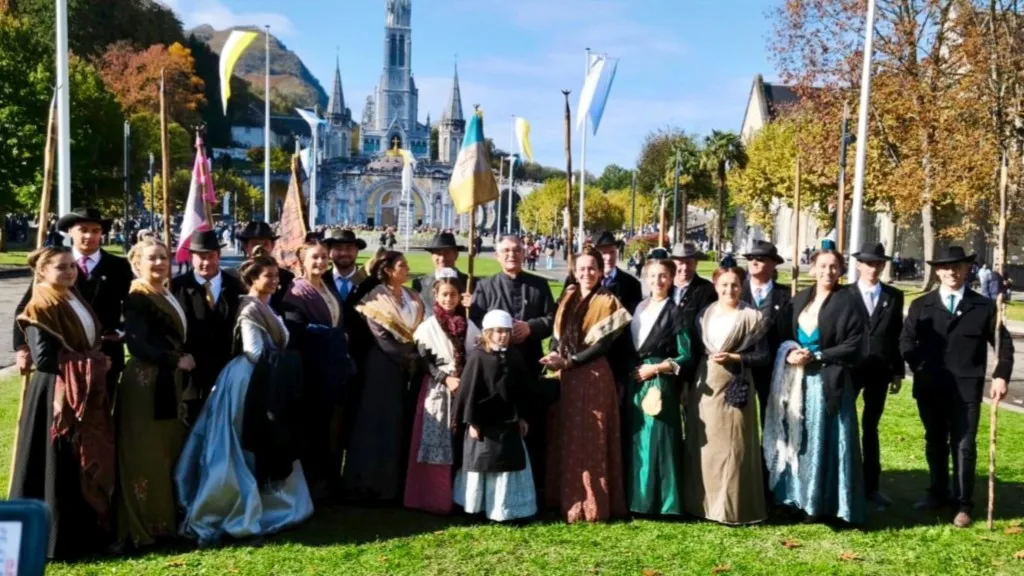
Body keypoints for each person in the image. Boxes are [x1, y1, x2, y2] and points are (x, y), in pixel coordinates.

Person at [175, 247, 312, 545]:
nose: (275, 280)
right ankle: (234, 507)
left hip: (265, 379)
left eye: (276, 275)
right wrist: (286, 362)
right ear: (253, 278)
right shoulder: (250, 307)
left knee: (261, 439)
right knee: (242, 442)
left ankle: (269, 503)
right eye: (268, 276)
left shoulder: (266, 304)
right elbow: (254, 352)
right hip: (250, 380)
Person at [11, 247, 115, 559]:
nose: (69, 271)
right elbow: (44, 360)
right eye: (61, 267)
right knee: (60, 464)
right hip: (56, 397)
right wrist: (95, 362)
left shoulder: (71, 296)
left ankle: (87, 533)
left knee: (81, 461)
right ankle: (61, 540)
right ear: (42, 271)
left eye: (72, 266)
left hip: (80, 391)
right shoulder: (40, 304)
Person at [901, 246, 1012, 528]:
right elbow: (906, 342)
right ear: (938, 271)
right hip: (931, 386)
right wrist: (920, 367)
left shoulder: (984, 306)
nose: (952, 271)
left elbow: (1004, 344)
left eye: (958, 266)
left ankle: (963, 503)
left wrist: (1001, 375)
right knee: (935, 440)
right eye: (946, 267)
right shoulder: (921, 306)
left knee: (964, 445)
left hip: (966, 389)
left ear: (967, 270)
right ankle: (937, 492)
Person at [764, 241, 866, 524]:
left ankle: (822, 502)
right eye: (823, 266)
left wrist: (818, 355)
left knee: (824, 439)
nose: (828, 271)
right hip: (797, 381)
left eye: (834, 266)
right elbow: (783, 334)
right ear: (813, 268)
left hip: (827, 381)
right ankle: (795, 497)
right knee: (800, 437)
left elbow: (855, 344)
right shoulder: (800, 299)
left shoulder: (849, 300)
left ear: (841, 270)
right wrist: (791, 351)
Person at [541, 247, 632, 523]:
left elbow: (602, 346)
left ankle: (593, 503)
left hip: (592, 375)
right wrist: (555, 355)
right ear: (575, 271)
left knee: (592, 437)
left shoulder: (608, 301)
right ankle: (564, 497)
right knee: (565, 433)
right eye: (581, 268)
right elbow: (557, 335)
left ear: (600, 271)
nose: (586, 273)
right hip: (564, 374)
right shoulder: (568, 295)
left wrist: (569, 361)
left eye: (592, 268)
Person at [117, 237, 193, 548]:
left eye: (164, 257)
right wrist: (175, 360)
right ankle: (143, 529)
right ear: (136, 264)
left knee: (166, 453)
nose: (160, 263)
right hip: (146, 384)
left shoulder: (163, 292)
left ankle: (165, 524)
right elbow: (136, 344)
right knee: (145, 457)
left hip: (167, 381)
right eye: (152, 258)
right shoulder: (138, 298)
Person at [682, 261, 768, 525]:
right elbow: (695, 352)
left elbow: (763, 356)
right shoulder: (704, 315)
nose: (729, 290)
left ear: (741, 288)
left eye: (734, 285)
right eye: (724, 285)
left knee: (735, 447)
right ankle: (701, 505)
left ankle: (730, 508)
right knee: (705, 448)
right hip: (706, 386)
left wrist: (735, 356)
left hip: (736, 385)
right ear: (716, 287)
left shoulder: (753, 318)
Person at [470, 235, 557, 494]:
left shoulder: (540, 285)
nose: (512, 255)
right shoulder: (485, 286)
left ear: (524, 253)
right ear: (497, 256)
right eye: (506, 251)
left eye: (517, 250)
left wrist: (530, 327)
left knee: (530, 424)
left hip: (529, 366)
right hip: (495, 372)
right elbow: (476, 320)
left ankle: (532, 487)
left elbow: (553, 318)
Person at [13, 208, 133, 395]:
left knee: (101, 416)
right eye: (83, 229)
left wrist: (122, 331)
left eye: (95, 231)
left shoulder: (119, 266)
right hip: (64, 357)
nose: (89, 236)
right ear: (70, 231)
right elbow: (26, 309)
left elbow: (131, 307)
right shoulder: (55, 266)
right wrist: (22, 347)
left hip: (106, 357)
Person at [343, 251, 424, 502]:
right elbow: (381, 338)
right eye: (402, 265)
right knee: (379, 424)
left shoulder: (412, 296)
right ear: (388, 269)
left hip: (411, 367)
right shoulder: (375, 297)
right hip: (383, 368)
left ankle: (399, 485)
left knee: (402, 422)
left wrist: (417, 357)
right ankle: (370, 485)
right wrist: (407, 359)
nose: (407, 268)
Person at [405, 269, 480, 514]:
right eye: (444, 295)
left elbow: (477, 352)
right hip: (438, 387)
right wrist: (445, 378)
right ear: (435, 295)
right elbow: (425, 361)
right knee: (437, 441)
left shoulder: (467, 323)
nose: (449, 300)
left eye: (453, 295)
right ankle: (433, 497)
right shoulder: (428, 326)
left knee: (461, 442)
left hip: (463, 387)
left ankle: (461, 495)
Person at [281, 237, 350, 499]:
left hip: (333, 367)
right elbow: (296, 330)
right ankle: (310, 485)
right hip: (312, 370)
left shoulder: (326, 286)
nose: (320, 262)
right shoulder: (297, 292)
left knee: (328, 427)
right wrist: (333, 335)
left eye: (323, 257)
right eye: (315, 257)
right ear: (302, 261)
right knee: (312, 429)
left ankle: (326, 480)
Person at [452, 310, 537, 522]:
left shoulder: (513, 356)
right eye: (497, 331)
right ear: (487, 332)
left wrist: (523, 416)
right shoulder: (479, 357)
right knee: (483, 464)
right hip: (484, 425)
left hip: (508, 424)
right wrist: (472, 421)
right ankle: (479, 507)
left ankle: (506, 509)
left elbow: (522, 390)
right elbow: (469, 391)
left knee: (509, 464)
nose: (502, 336)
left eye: (506, 332)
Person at [627, 256, 690, 516]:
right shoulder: (639, 307)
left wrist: (656, 368)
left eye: (663, 275)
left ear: (672, 278)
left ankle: (663, 502)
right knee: (639, 440)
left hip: (658, 382)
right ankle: (638, 499)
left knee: (658, 440)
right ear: (645, 277)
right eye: (652, 275)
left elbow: (686, 355)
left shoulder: (676, 312)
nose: (658, 281)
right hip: (635, 379)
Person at [848, 242, 904, 510]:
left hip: (880, 371)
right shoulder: (845, 294)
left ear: (883, 266)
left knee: (870, 427)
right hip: (850, 370)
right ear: (859, 264)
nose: (873, 268)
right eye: (868, 263)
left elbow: (896, 336)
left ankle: (872, 485)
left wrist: (897, 371)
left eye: (878, 263)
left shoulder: (893, 296)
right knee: (844, 426)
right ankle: (845, 482)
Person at [171, 230, 244, 425]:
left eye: (211, 257)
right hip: (191, 376)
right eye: (200, 257)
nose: (206, 263)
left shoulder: (237, 287)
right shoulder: (176, 287)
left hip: (226, 372)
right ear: (191, 258)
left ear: (219, 256)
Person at [740, 240, 790, 423]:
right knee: (740, 420)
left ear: (773, 263)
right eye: (751, 258)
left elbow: (790, 332)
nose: (754, 262)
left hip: (773, 367)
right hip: (740, 366)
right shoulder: (736, 291)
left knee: (771, 419)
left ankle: (768, 452)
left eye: (760, 259)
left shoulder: (786, 295)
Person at [235, 221, 294, 311]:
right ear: (246, 247)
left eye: (265, 244)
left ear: (272, 246)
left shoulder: (286, 278)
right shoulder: (233, 278)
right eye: (255, 244)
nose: (260, 249)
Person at [412, 232, 471, 314]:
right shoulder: (419, 284)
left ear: (456, 255)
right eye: (438, 253)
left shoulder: (471, 283)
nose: (442, 258)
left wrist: (473, 305)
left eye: (447, 253)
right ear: (432, 256)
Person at [670, 241, 717, 328]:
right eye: (680, 263)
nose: (685, 268)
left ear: (696, 264)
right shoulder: (665, 286)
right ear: (673, 265)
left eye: (688, 263)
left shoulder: (707, 289)